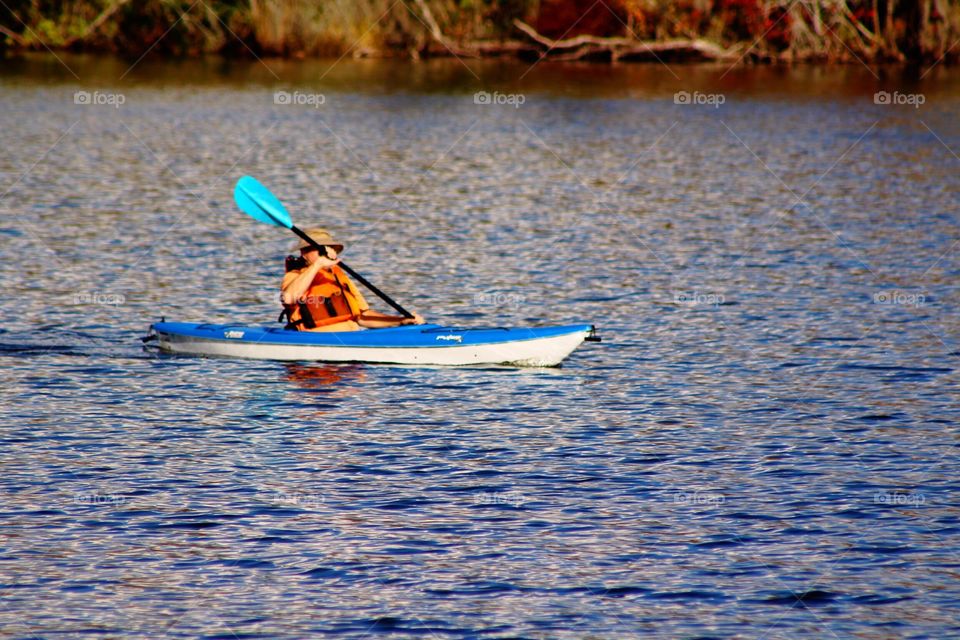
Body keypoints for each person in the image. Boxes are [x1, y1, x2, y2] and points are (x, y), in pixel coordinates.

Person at [280, 228, 424, 332]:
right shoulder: (296, 276)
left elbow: (362, 317)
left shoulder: (339, 277)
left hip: (351, 343)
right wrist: (318, 264)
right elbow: (288, 298)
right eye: (319, 249)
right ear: (303, 253)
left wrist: (400, 321)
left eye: (329, 248)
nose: (326, 251)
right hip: (315, 349)